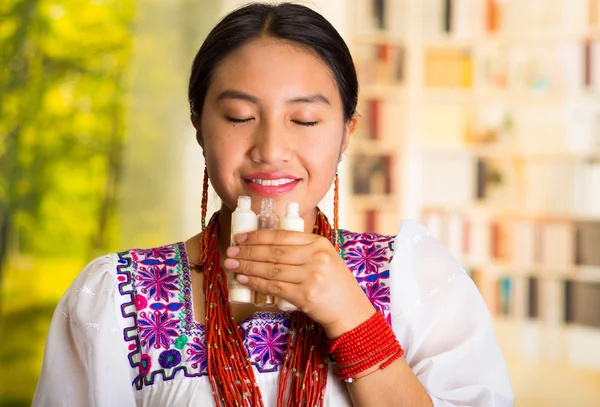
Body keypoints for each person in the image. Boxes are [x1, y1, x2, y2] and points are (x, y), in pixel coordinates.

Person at [33, 3, 514, 406]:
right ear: (199, 125)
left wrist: (352, 317)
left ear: (347, 131)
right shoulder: (114, 299)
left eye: (304, 119)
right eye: (240, 115)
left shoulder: (416, 280)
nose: (271, 147)